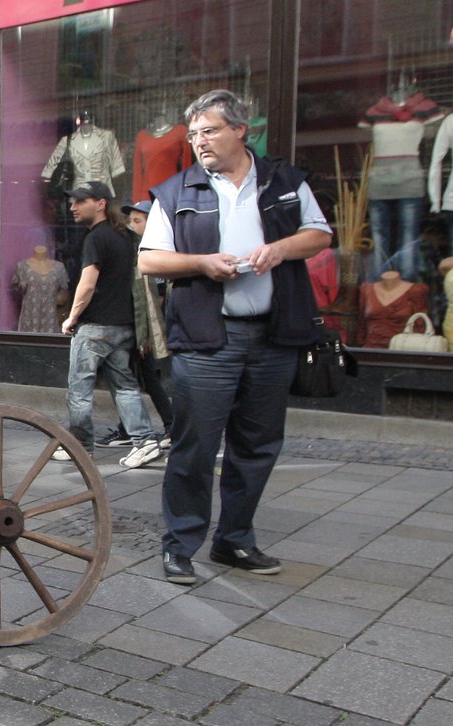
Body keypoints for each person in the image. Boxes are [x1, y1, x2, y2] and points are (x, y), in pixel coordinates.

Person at [138, 89, 332, 584]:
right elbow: (149, 259)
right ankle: (179, 546)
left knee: (258, 445)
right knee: (194, 447)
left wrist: (281, 250)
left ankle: (235, 542)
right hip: (207, 340)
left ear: (240, 131)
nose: (200, 141)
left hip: (273, 336)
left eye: (210, 130)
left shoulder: (285, 182)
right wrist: (202, 263)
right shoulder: (177, 191)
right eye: (195, 133)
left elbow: (320, 234)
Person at [52, 181, 160, 464]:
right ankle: (145, 440)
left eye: (80, 201)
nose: (73, 207)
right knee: (124, 386)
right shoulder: (124, 236)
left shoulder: (96, 238)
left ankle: (80, 445)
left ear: (100, 204)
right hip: (123, 326)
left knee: (79, 390)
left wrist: (72, 317)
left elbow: (87, 284)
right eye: (72, 202)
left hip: (96, 327)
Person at [96, 200, 174, 463]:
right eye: (131, 220)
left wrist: (145, 335)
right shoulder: (133, 250)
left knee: (137, 379)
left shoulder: (149, 254)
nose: (132, 225)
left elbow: (148, 301)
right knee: (132, 379)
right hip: (135, 328)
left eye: (138, 221)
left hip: (143, 331)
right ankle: (135, 429)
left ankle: (164, 428)